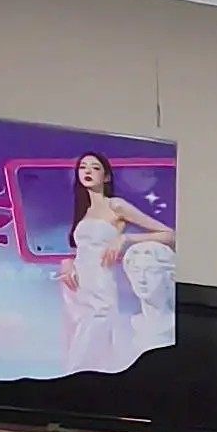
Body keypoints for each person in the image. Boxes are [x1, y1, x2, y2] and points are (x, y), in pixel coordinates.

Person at [56, 154, 173, 372]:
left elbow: (169, 234)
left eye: (95, 167)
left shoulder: (116, 206)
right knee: (74, 348)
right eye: (83, 167)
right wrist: (67, 262)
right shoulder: (84, 211)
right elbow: (82, 249)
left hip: (101, 287)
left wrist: (126, 238)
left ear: (106, 176)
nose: (87, 171)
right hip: (77, 288)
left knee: (88, 352)